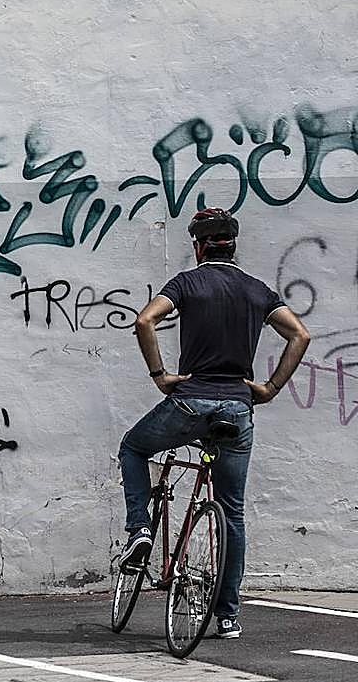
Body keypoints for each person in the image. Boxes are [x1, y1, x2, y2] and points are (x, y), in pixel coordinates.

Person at [118, 207, 310, 639]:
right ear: (233, 246)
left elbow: (145, 320)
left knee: (134, 447)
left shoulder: (187, 283)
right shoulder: (257, 290)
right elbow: (300, 334)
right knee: (232, 512)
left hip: (190, 403)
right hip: (238, 410)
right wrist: (270, 388)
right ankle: (226, 616)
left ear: (198, 246)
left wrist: (160, 376)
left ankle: (140, 529)